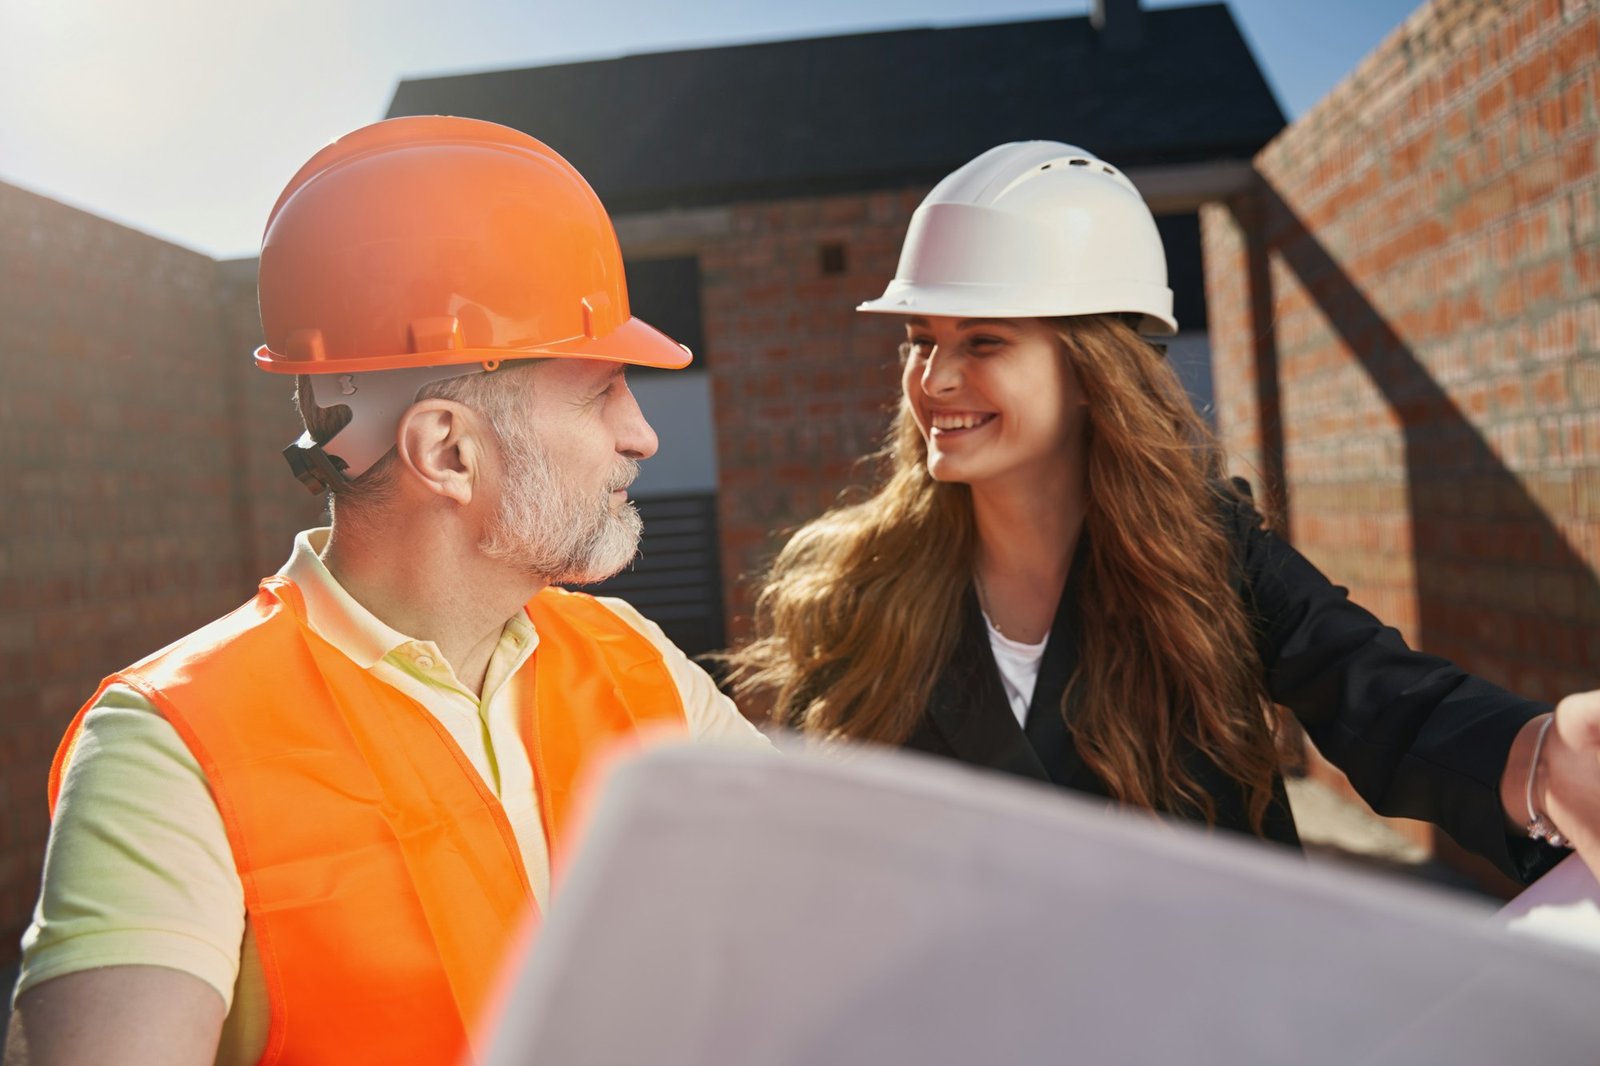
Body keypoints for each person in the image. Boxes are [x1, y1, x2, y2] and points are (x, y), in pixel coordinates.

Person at [4, 116, 768, 1066]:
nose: (643, 434)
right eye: (604, 389)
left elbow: (828, 928)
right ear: (448, 450)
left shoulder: (633, 661)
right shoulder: (172, 747)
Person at [728, 140, 1599, 885]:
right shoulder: (860, 587)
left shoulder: (1208, 554)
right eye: (921, 342)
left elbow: (1382, 697)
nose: (934, 380)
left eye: (983, 341)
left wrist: (1539, 756)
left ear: (1093, 369)